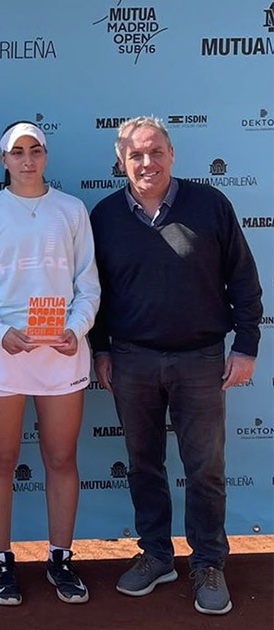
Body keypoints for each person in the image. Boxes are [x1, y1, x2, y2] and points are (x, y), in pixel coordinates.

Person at [89, 116, 262, 616]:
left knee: (205, 468)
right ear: (121, 162)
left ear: (172, 154)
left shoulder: (210, 205)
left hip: (201, 359)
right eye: (136, 155)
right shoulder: (104, 217)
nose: (147, 162)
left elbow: (244, 281)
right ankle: (157, 554)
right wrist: (101, 348)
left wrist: (246, 344)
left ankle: (208, 561)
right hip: (132, 360)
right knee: (144, 464)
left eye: (156, 152)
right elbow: (94, 294)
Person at [0, 121, 100, 607]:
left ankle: (60, 557)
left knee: (61, 459)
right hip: (3, 356)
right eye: (16, 152)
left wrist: (75, 329)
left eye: (35, 150)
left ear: (46, 155)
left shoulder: (72, 210)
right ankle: (0, 560)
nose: (26, 159)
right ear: (3, 160)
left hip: (61, 354)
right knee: (0, 459)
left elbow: (88, 285)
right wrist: (3, 333)